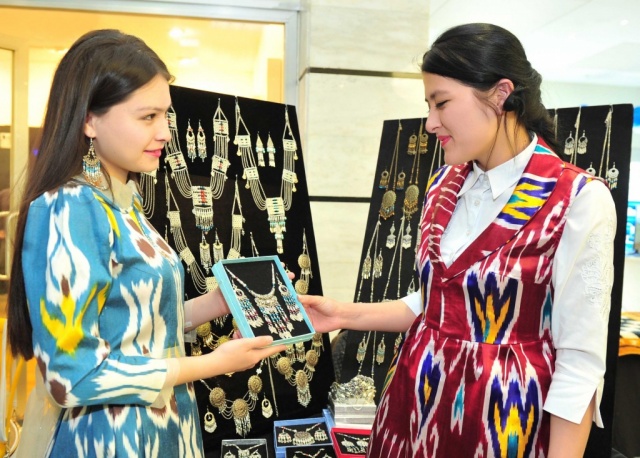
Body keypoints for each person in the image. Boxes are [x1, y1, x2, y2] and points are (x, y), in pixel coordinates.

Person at [300, 23, 615, 458]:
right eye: (428, 105)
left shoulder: (576, 198)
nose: (431, 123)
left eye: (442, 103)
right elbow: (436, 304)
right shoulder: (443, 185)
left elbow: (579, 364)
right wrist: (342, 314)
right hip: (412, 411)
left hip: (502, 424)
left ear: (501, 94)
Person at [7, 29, 285, 457]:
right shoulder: (69, 206)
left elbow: (137, 325)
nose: (165, 132)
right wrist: (212, 364)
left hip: (163, 428)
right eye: (148, 117)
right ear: (89, 120)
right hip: (110, 440)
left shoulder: (125, 203)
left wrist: (219, 301)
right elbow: (73, 376)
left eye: (166, 115)